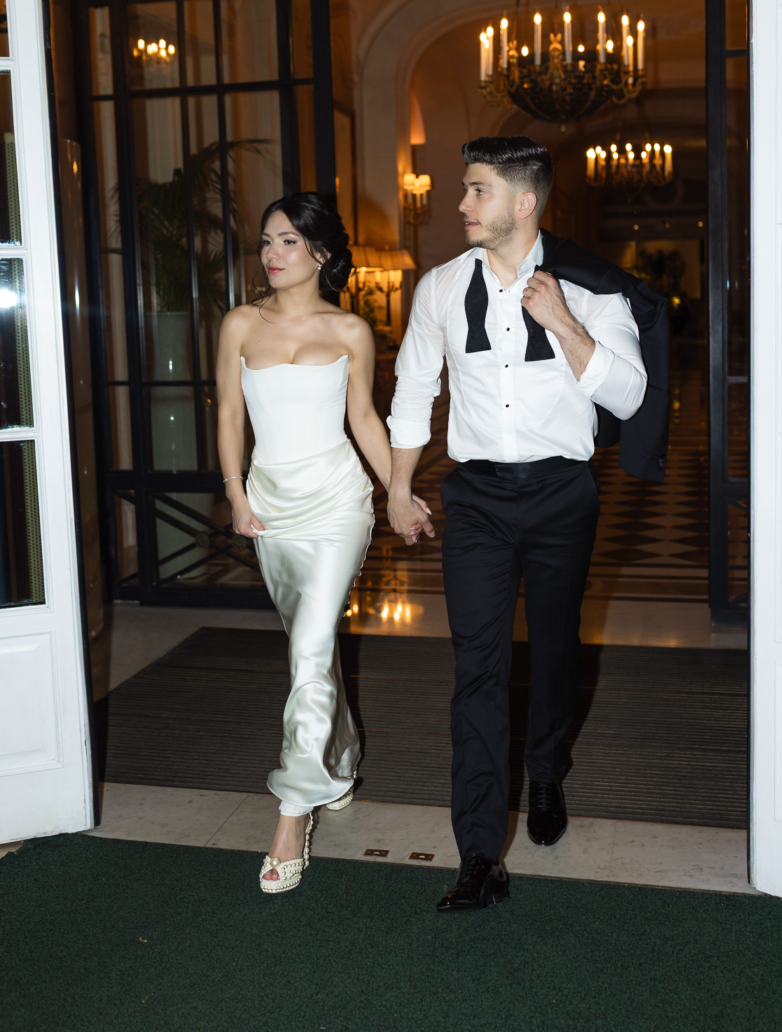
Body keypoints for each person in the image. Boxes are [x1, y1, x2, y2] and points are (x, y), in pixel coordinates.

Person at [387, 137, 650, 913]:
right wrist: (399, 489)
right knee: (477, 666)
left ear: (522, 202)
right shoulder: (439, 288)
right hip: (475, 502)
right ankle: (476, 853)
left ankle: (545, 772)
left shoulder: (591, 289)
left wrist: (564, 322)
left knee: (556, 648)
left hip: (562, 494)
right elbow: (411, 392)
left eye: (475, 191)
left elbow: (630, 399)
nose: (459, 204)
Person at [217, 193, 427, 894]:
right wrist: (236, 493)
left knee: (308, 649)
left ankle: (291, 810)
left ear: (321, 254)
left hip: (339, 502)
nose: (271, 254)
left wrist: (395, 489)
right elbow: (227, 412)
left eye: (285, 242)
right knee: (311, 649)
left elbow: (363, 416)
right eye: (266, 242)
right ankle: (338, 759)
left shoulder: (350, 330)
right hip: (269, 506)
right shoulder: (241, 323)